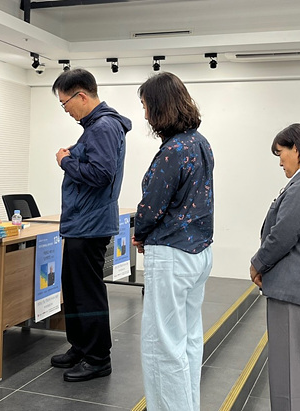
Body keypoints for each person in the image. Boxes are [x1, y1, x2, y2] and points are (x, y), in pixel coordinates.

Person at [132, 72, 214, 411]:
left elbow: (152, 205)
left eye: (145, 106)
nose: (145, 114)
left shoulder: (172, 150)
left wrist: (140, 233)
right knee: (189, 341)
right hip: (199, 252)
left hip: (171, 255)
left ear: (159, 106)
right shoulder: (199, 142)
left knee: (162, 346)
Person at [49, 68, 131, 382]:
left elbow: (101, 174)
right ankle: (81, 347)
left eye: (65, 103)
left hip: (90, 223)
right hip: (82, 222)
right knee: (74, 290)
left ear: (81, 95)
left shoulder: (103, 127)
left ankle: (98, 358)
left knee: (87, 292)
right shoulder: (95, 127)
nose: (65, 110)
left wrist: (65, 161)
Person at [249, 123, 300, 411]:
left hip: (292, 290)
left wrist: (257, 263)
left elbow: (283, 235)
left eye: (281, 152)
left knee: (290, 372)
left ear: (296, 149)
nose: (280, 160)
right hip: (290, 288)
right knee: (287, 369)